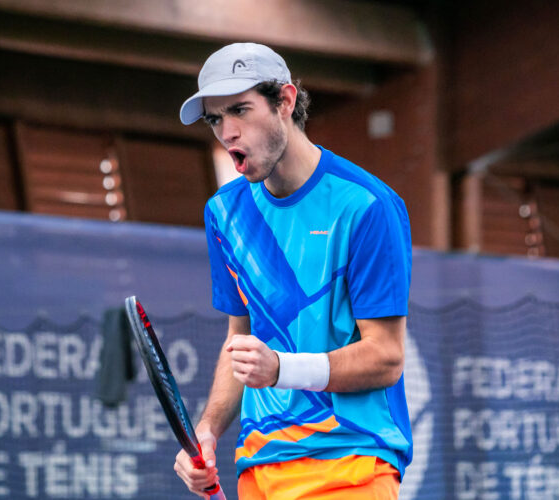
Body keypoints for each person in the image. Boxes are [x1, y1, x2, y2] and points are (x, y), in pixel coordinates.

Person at [175, 42, 413, 499]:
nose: (227, 131)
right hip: (259, 467)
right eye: (214, 119)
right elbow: (240, 342)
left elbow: (386, 356)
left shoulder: (366, 205)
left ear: (284, 101)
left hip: (350, 464)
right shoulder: (224, 213)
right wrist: (208, 430)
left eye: (240, 110)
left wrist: (282, 368)